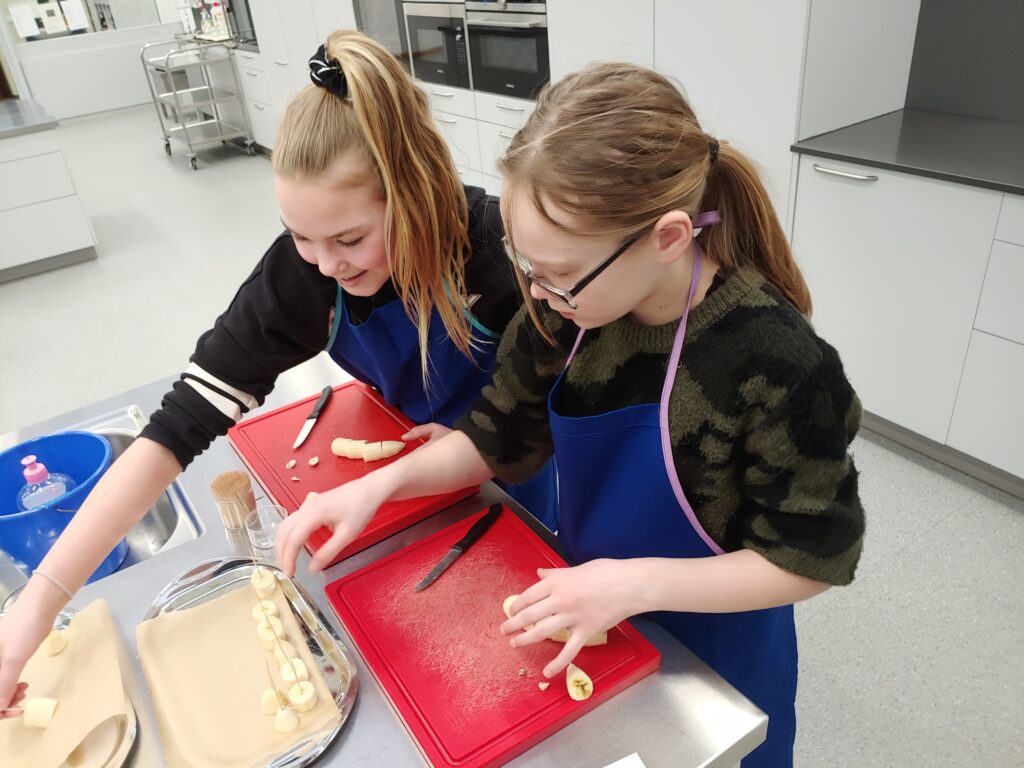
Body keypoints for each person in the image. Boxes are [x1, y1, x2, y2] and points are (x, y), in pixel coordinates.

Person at [276, 61, 865, 766]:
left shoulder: (774, 361)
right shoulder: (565, 313)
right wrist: (379, 487)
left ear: (668, 238)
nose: (536, 293)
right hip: (593, 616)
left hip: (718, 655)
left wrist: (632, 584)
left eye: (557, 273)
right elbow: (497, 434)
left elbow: (812, 558)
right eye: (528, 268)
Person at [0, 29, 554, 719]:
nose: (325, 265)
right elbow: (178, 424)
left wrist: (468, 442)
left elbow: (548, 410)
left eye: (350, 239)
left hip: (529, 485)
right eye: (300, 236)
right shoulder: (309, 272)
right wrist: (35, 609)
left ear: (415, 194)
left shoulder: (500, 255)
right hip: (418, 486)